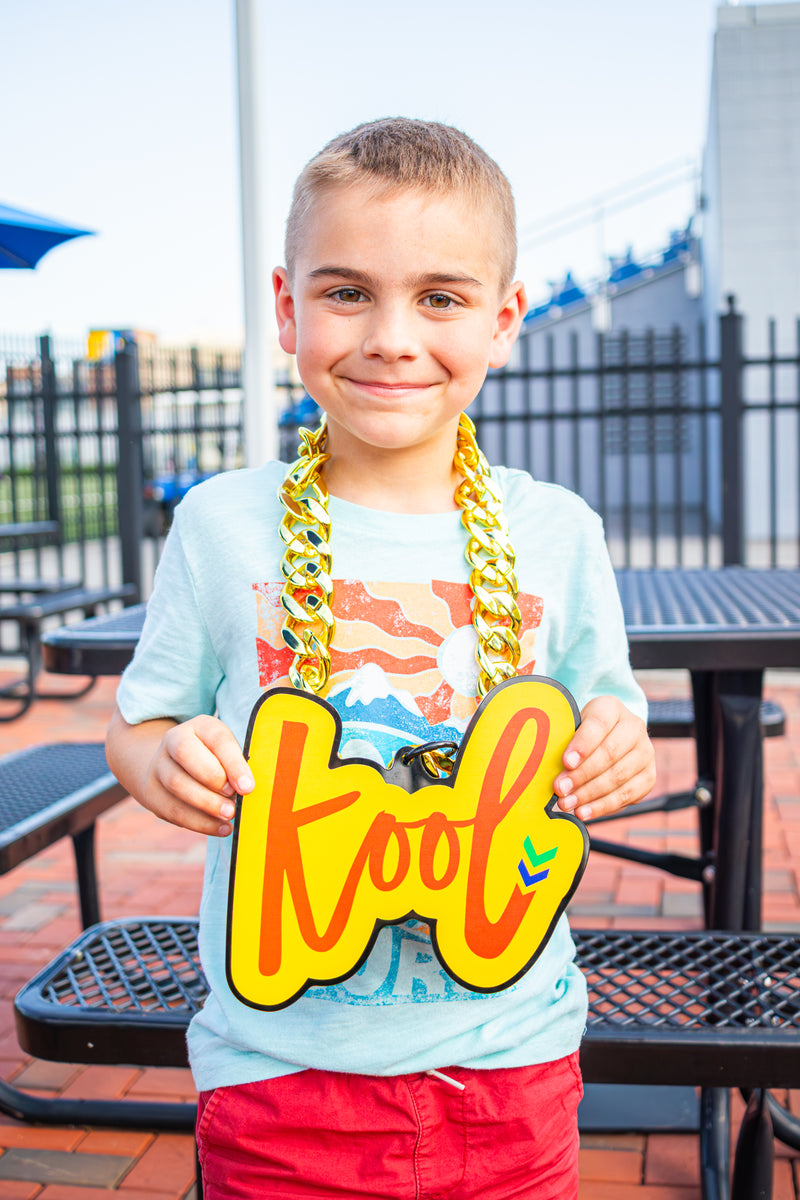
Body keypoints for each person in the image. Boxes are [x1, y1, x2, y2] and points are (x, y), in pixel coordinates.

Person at [106, 117, 656, 1200]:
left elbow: (610, 712)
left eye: (440, 298)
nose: (392, 337)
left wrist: (616, 749)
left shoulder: (559, 531)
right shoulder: (222, 526)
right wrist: (158, 762)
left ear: (503, 320)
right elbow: (142, 721)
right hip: (279, 1074)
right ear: (286, 307)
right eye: (347, 291)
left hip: (511, 1064)